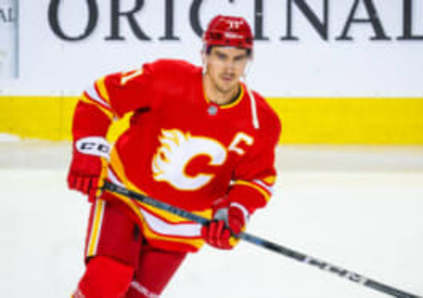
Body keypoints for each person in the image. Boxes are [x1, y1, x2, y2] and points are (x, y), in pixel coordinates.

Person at [67, 14, 281, 297]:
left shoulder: (261, 121)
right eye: (221, 56)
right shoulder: (166, 79)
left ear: (248, 60)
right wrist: (88, 152)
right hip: (125, 197)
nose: (229, 68)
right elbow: (99, 98)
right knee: (106, 282)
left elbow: (256, 180)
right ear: (204, 54)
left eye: (238, 58)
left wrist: (234, 213)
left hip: (183, 225)